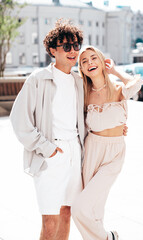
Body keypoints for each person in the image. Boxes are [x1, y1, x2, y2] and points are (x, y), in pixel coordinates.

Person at [10, 19, 85, 240]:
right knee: (50, 221)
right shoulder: (38, 79)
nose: (73, 51)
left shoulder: (79, 81)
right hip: (51, 154)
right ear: (53, 50)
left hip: (75, 154)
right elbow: (19, 120)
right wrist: (47, 148)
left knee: (67, 212)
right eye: (67, 46)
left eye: (76, 45)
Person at [71, 45, 143, 240]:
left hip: (114, 153)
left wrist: (115, 71)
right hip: (92, 148)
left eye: (94, 58)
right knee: (93, 208)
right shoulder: (85, 94)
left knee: (79, 208)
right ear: (82, 69)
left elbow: (137, 84)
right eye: (84, 61)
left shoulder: (118, 89)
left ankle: (107, 237)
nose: (89, 63)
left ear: (102, 62)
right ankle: (105, 237)